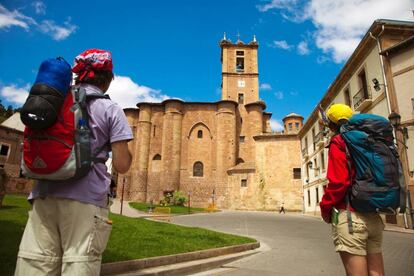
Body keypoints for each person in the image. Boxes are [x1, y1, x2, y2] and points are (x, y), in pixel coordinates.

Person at [15, 49, 133, 276]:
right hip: (86, 201)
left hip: (43, 194)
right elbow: (122, 165)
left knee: (36, 265)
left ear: (80, 75)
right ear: (107, 79)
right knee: (79, 265)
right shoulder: (110, 109)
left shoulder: (54, 103)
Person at [319, 104, 385, 276]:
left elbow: (339, 182)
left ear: (331, 125)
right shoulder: (369, 141)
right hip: (374, 217)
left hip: (351, 218)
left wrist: (325, 208)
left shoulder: (339, 142)